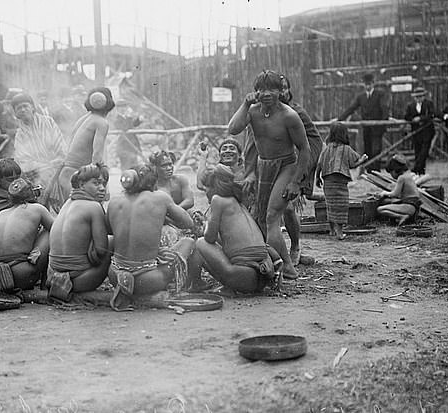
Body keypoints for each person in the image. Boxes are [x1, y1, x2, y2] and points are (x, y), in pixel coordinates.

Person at [228, 70, 310, 279]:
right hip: (263, 166)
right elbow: (233, 129)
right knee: (263, 220)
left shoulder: (289, 116)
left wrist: (295, 182)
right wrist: (245, 104)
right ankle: (288, 267)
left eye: (272, 89)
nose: (267, 94)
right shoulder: (253, 111)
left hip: (286, 166)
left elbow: (305, 149)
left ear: (280, 91)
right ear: (255, 92)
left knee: (272, 216)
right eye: (262, 89)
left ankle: (285, 265)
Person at [106, 164, 195, 310]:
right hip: (148, 280)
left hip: (115, 276)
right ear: (153, 181)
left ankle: (126, 290)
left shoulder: (115, 201)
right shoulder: (161, 197)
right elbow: (188, 223)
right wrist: (163, 216)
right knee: (188, 242)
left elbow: (109, 230)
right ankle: (186, 287)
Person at [190, 164, 282, 293]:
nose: (205, 192)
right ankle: (228, 286)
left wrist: (204, 227)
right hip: (262, 278)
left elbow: (209, 239)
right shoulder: (237, 202)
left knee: (200, 243)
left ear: (213, 186)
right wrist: (206, 223)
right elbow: (228, 241)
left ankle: (207, 285)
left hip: (243, 279)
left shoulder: (218, 200)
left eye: (206, 187)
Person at [47, 163, 112, 301]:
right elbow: (101, 250)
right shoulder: (93, 207)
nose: (102, 188)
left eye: (104, 184)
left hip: (52, 277)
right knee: (112, 241)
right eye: (96, 183)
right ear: (81, 185)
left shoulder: (67, 204)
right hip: (77, 281)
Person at [278, 74, 324, 265]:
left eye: (284, 87)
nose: (282, 92)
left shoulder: (296, 112)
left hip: (297, 161)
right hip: (275, 162)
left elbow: (315, 141)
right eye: (277, 88)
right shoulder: (265, 112)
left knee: (288, 208)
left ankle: (295, 246)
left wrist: (303, 170)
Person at [0, 178, 53, 292]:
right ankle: (45, 286)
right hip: (21, 275)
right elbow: (57, 230)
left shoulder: (0, 214)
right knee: (49, 232)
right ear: (33, 193)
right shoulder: (37, 209)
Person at [11, 93, 67, 212]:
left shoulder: (48, 122)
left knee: (63, 208)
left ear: (32, 107)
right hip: (36, 175)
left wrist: (57, 160)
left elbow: (60, 144)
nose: (23, 110)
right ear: (16, 114)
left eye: (25, 106)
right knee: (41, 208)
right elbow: (23, 159)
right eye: (19, 108)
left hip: (57, 169)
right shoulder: (20, 134)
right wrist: (43, 167)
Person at [57, 87, 115, 203]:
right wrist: (101, 182)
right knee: (87, 212)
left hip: (66, 174)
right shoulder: (101, 122)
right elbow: (97, 156)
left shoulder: (83, 119)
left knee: (69, 215)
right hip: (77, 177)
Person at [315, 122, 368, 240]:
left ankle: (331, 230)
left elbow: (319, 164)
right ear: (345, 134)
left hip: (327, 181)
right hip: (340, 183)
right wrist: (362, 160)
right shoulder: (346, 149)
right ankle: (339, 232)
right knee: (341, 206)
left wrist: (317, 177)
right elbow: (353, 164)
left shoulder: (326, 148)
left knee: (330, 205)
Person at [336, 73, 390, 172]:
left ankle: (376, 170)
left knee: (376, 149)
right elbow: (351, 108)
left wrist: (384, 121)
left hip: (378, 127)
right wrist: (340, 119)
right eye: (366, 84)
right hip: (366, 128)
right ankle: (369, 171)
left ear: (373, 84)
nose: (368, 86)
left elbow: (384, 108)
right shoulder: (361, 97)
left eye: (369, 84)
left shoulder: (380, 94)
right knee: (368, 149)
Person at [376, 154, 423, 226]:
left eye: (391, 172)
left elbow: (395, 194)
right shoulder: (408, 175)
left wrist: (384, 193)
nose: (391, 175)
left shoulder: (401, 178)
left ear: (395, 170)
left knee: (380, 209)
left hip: (409, 206)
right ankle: (405, 216)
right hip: (414, 207)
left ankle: (401, 216)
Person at [403, 87, 435, 176]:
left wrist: (421, 118)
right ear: (414, 97)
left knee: (424, 152)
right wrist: (413, 119)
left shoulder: (429, 104)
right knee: (418, 151)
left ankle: (415, 169)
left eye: (421, 96)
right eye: (417, 97)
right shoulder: (411, 105)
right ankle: (420, 172)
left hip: (427, 131)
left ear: (424, 96)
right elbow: (406, 116)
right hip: (416, 131)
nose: (419, 98)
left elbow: (432, 115)